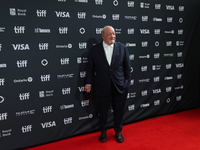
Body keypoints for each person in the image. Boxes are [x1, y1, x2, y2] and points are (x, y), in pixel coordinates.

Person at [85, 26, 131, 143]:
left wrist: (126, 83)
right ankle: (103, 132)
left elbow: (127, 68)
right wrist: (88, 83)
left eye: (114, 33)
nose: (113, 36)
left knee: (119, 111)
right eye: (110, 34)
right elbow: (89, 69)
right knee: (103, 112)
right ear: (103, 36)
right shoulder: (95, 50)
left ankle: (118, 131)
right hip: (102, 87)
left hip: (119, 87)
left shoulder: (122, 48)